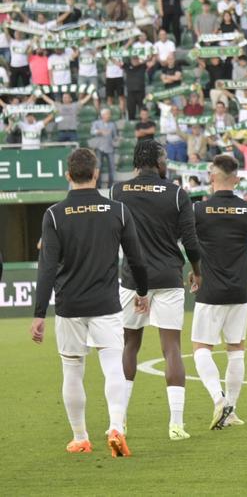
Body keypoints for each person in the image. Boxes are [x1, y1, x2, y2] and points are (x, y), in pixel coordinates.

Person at [32, 148, 149, 457]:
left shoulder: (55, 214)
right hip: (106, 304)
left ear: (68, 176)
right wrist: (143, 291)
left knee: (72, 371)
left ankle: (80, 437)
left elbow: (46, 267)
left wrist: (39, 313)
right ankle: (115, 427)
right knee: (113, 367)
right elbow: (137, 258)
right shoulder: (118, 210)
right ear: (96, 173)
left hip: (69, 305)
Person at [111, 139, 203, 441]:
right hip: (168, 277)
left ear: (137, 163)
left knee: (128, 347)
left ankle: (119, 422)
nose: (166, 164)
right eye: (165, 159)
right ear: (158, 162)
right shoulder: (177, 194)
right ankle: (176, 424)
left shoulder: (118, 191)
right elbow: (190, 243)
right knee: (172, 349)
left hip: (131, 279)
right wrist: (197, 272)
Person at [190, 154, 247, 429]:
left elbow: (187, 242)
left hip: (210, 288)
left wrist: (195, 270)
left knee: (202, 346)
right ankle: (232, 410)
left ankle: (219, 399)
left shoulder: (198, 211)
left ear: (212, 178)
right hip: (238, 289)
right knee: (236, 348)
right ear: (236, 179)